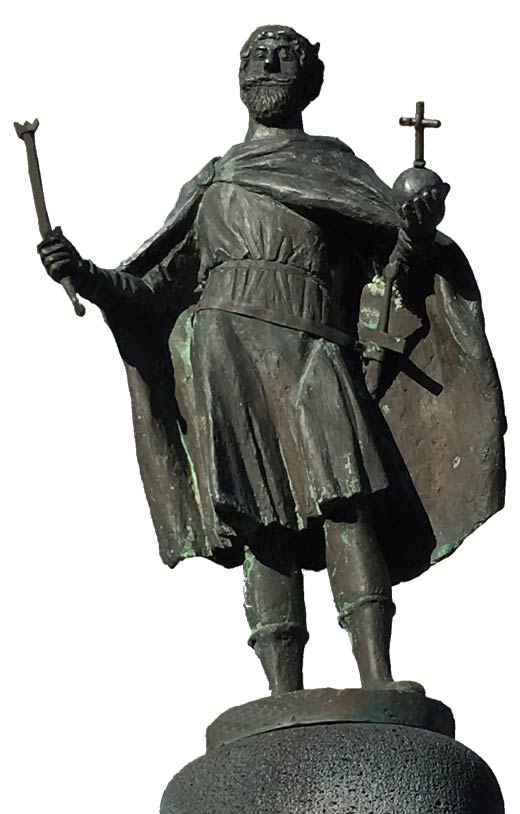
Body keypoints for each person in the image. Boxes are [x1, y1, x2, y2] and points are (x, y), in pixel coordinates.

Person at [38, 25, 505, 696]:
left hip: (315, 349)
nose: (270, 63)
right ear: (240, 77)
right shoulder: (214, 180)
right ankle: (281, 695)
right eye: (257, 55)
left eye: (286, 54)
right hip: (225, 351)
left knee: (348, 505)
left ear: (311, 79)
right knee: (261, 525)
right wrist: (83, 273)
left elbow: (394, 271)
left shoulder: (335, 169)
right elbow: (153, 291)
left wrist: (416, 231)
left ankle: (376, 677)